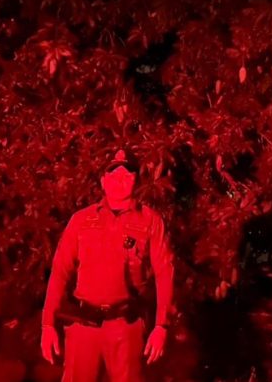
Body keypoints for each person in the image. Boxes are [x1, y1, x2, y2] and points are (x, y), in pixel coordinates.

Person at [40, 150, 174, 381]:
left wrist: (161, 326)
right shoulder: (81, 220)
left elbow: (165, 273)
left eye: (127, 174)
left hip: (126, 327)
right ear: (103, 181)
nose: (120, 180)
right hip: (83, 327)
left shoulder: (150, 221)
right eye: (113, 174)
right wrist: (47, 325)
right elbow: (60, 271)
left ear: (136, 180)